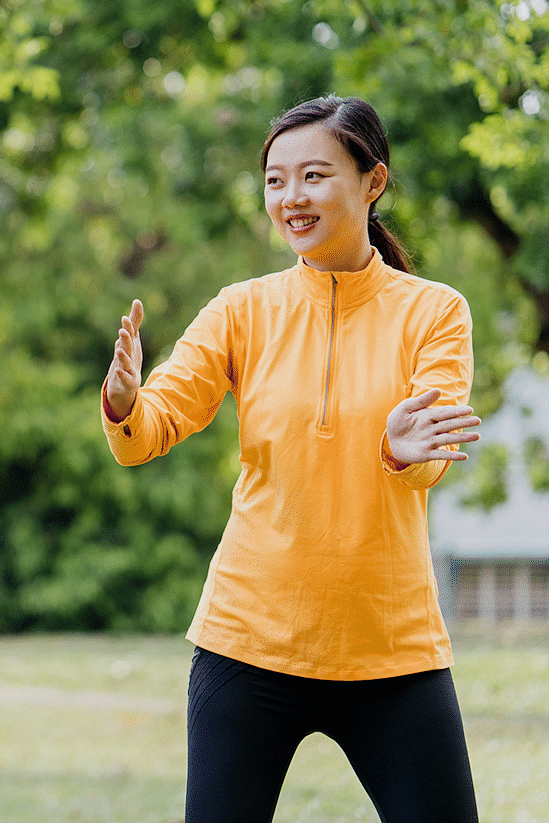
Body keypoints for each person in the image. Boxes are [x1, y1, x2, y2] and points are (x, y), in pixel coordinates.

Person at [101, 96, 483, 823]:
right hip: (248, 643)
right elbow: (154, 427)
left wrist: (401, 453)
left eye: (314, 175)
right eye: (276, 181)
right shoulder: (241, 310)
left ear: (372, 183)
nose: (291, 198)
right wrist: (124, 400)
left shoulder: (434, 311)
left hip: (392, 651)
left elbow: (435, 444)